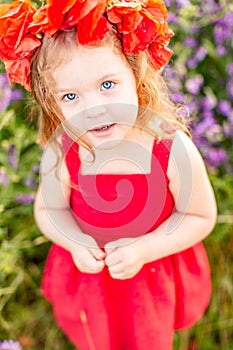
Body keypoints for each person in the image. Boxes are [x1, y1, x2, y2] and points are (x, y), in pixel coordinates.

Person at [0, 1, 217, 349]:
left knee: (148, 334)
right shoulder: (64, 149)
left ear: (136, 74)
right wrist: (75, 241)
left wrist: (146, 248)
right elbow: (49, 210)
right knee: (96, 334)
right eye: (70, 96)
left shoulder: (169, 147)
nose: (93, 108)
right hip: (92, 275)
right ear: (52, 103)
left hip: (151, 270)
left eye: (107, 85)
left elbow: (200, 215)